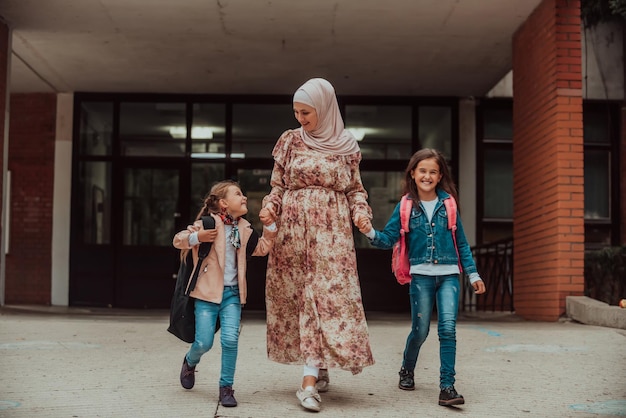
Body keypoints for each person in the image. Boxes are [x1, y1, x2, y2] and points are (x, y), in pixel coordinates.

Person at [261, 77, 374, 412]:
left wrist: (361, 214)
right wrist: (270, 206)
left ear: (324, 109)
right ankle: (316, 368)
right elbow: (277, 186)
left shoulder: (347, 146)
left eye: (306, 112)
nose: (300, 118)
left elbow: (356, 190)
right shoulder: (289, 141)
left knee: (328, 298)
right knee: (301, 298)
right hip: (293, 236)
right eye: (296, 112)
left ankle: (309, 382)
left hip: (332, 237)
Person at [356, 148, 486, 407]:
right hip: (421, 278)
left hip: (449, 275)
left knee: (448, 330)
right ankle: (407, 369)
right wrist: (369, 231)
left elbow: (460, 242)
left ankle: (447, 386)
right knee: (420, 331)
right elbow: (389, 239)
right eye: (423, 171)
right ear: (413, 173)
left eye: (433, 172)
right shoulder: (405, 206)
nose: (427, 175)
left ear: (440, 176)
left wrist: (473, 274)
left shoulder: (448, 204)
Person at [172, 180, 277, 408]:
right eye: (238, 194)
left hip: (232, 295)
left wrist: (269, 227)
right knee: (203, 342)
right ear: (224, 203)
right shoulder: (208, 224)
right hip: (207, 294)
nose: (244, 198)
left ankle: (226, 387)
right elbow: (178, 240)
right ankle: (190, 361)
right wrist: (197, 238)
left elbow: (261, 249)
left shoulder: (246, 229)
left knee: (230, 341)